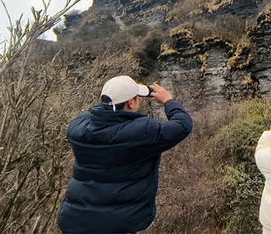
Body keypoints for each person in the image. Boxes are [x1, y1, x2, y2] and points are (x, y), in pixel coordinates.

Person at [57, 75, 193, 234]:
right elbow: (183, 125)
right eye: (136, 98)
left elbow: (97, 110)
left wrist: (126, 93)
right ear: (130, 102)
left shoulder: (78, 129)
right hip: (118, 224)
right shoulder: (142, 132)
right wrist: (169, 101)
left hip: (75, 220)